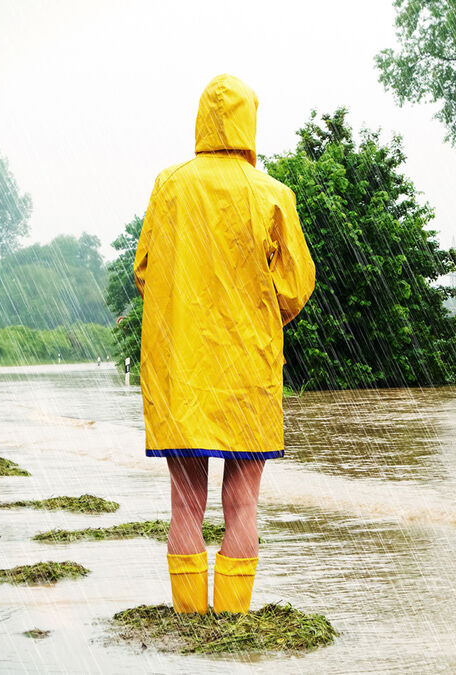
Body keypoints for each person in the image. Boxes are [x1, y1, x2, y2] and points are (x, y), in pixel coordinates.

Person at [133, 74, 315, 614]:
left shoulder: (170, 186)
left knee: (185, 504)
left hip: (180, 371)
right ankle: (233, 623)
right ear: (249, 125)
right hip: (247, 372)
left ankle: (190, 626)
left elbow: (144, 271)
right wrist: (257, 311)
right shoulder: (272, 195)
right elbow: (296, 285)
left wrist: (183, 302)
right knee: (243, 504)